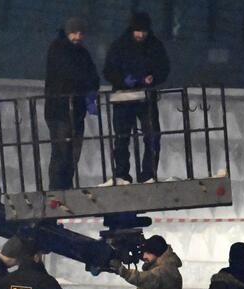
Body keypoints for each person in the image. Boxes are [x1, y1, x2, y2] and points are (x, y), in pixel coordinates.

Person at [102, 11, 170, 185]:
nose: (141, 35)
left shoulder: (155, 46)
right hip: (123, 97)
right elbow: (108, 71)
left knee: (153, 136)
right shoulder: (119, 46)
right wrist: (123, 80)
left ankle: (148, 174)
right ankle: (122, 174)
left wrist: (154, 77)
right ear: (132, 29)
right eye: (138, 31)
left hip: (146, 98)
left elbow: (164, 68)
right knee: (122, 138)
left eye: (144, 31)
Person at [45, 16, 100, 191]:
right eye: (74, 33)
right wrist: (86, 88)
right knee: (61, 153)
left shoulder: (81, 53)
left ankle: (65, 188)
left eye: (80, 33)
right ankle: (57, 190)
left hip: (75, 110)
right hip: (59, 110)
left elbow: (92, 76)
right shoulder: (58, 49)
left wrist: (89, 91)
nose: (78, 37)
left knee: (72, 154)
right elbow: (70, 74)